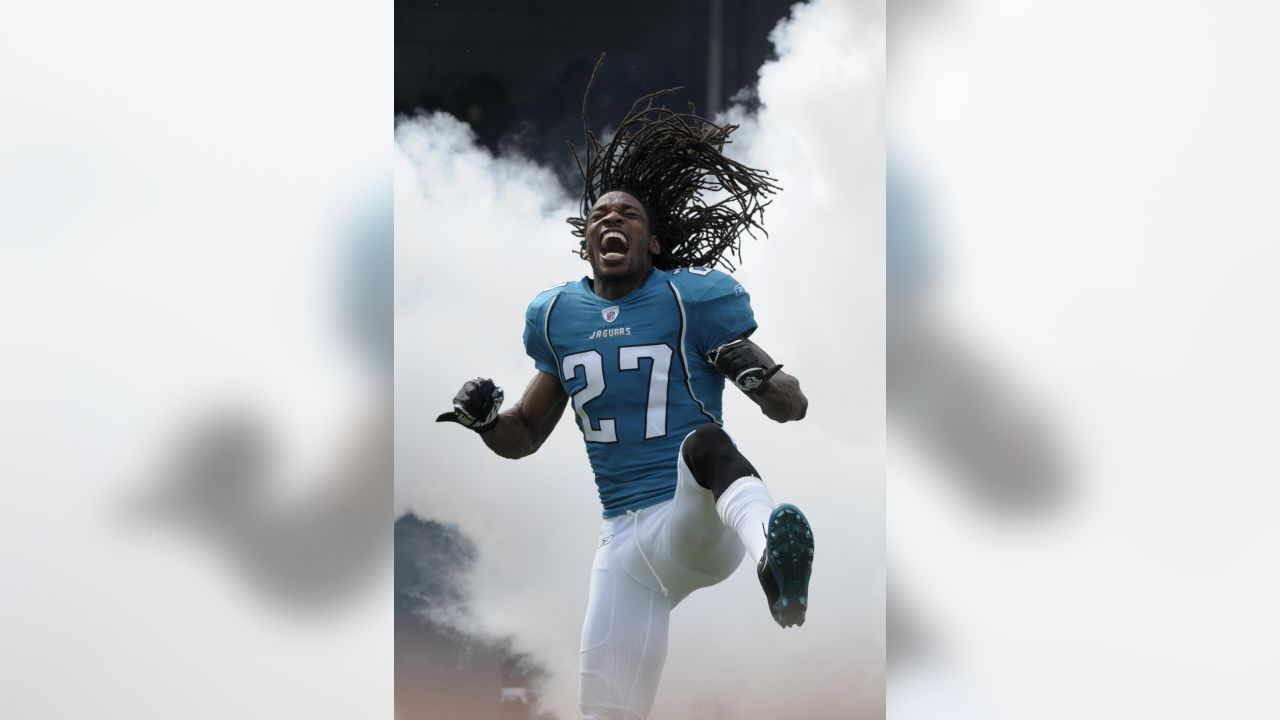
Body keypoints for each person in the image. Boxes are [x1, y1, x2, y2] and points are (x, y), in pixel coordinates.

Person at [437, 62, 815, 720]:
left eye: (629, 214)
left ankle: (774, 560)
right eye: (601, 214)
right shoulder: (556, 316)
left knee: (702, 443)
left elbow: (792, 404)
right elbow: (523, 437)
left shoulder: (690, 299)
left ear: (654, 240)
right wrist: (486, 420)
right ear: (586, 239)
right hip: (625, 549)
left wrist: (759, 377)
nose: (612, 218)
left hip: (694, 521)